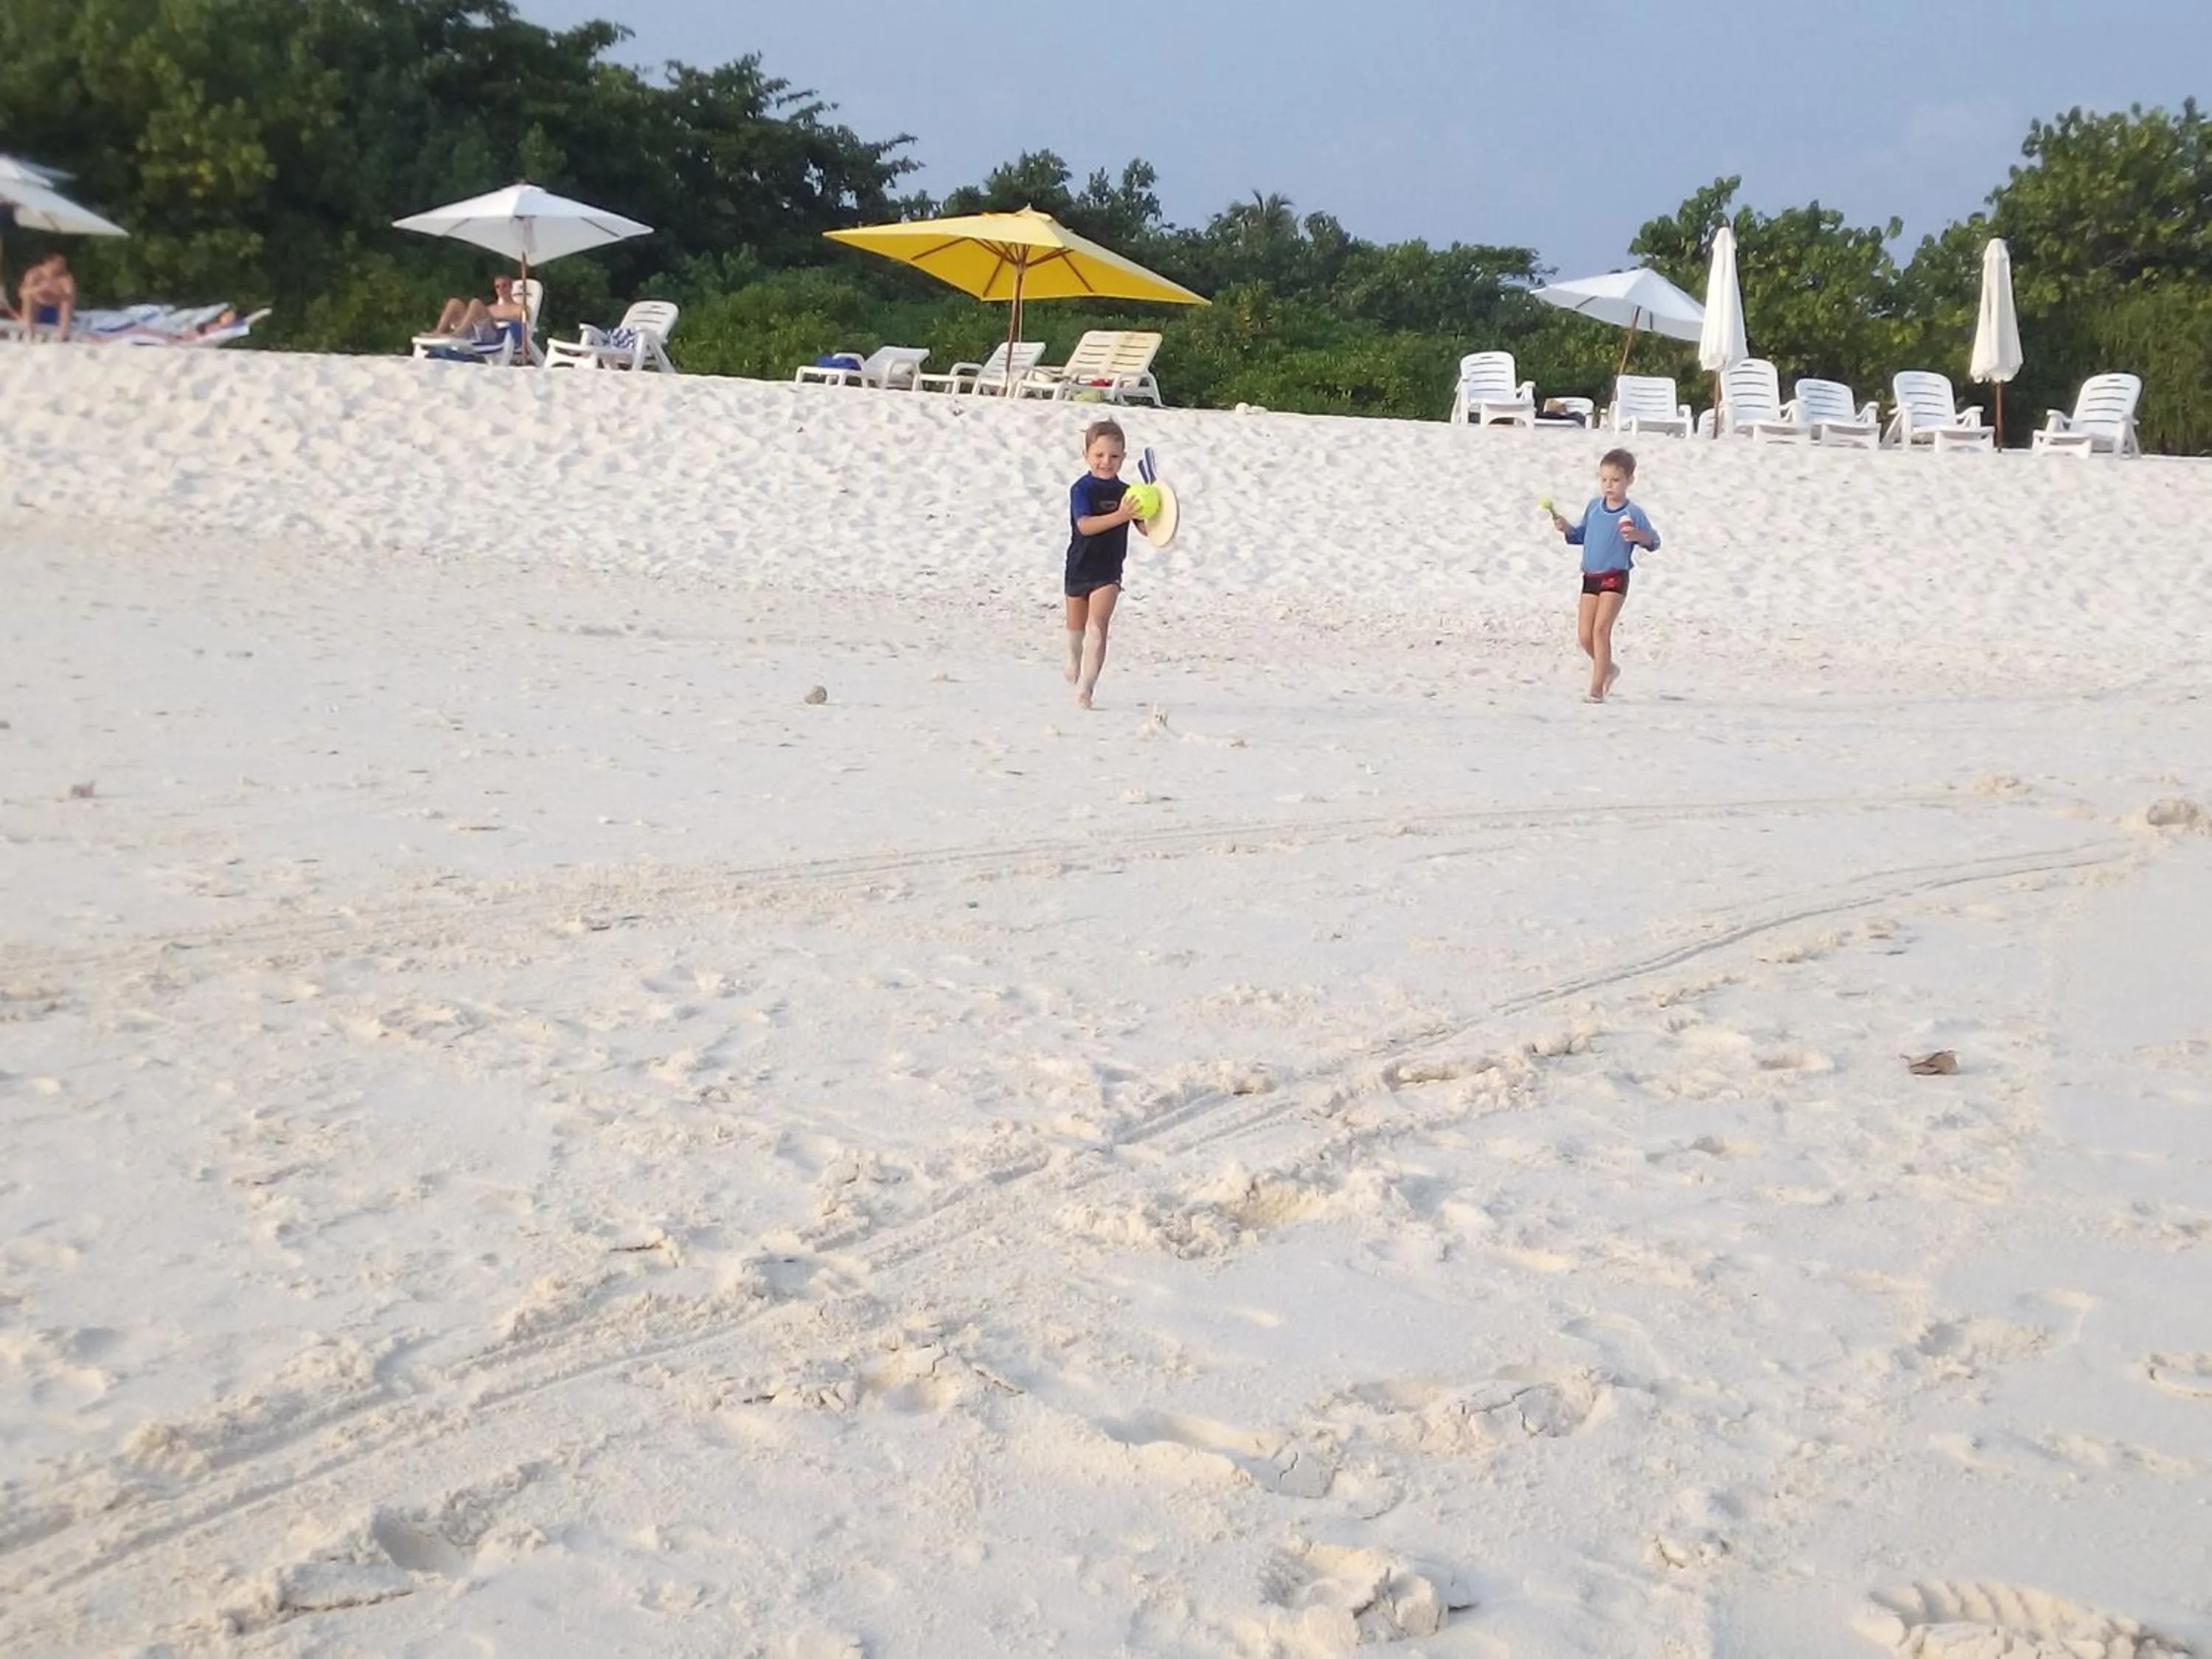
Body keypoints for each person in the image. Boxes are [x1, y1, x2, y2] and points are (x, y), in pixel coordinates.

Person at [1548, 448, 1660, 703]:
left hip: (1615, 576)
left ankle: (1596, 689)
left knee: (1601, 630)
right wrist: (1566, 528)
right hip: (1590, 576)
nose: (1609, 486)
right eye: (1604, 479)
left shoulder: (1633, 513)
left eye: (1616, 480)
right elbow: (1579, 536)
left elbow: (1654, 542)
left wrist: (1638, 537)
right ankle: (1608, 669)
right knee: (1585, 636)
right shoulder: (1593, 507)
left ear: (1630, 480)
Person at [1063, 418, 1145, 708]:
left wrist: (1160, 511)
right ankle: (1073, 658)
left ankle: (1087, 688)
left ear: (1123, 457)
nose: (1106, 462)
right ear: (1086, 455)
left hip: (1109, 569)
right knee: (1076, 629)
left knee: (1098, 626)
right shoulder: (1081, 489)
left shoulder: (1130, 494)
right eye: (1099, 455)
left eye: (1113, 456)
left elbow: (1147, 529)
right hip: (1079, 565)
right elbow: (1085, 526)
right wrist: (1121, 516)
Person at [428, 274, 526, 348]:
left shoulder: (519, 308)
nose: (501, 289)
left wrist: (497, 318)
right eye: (498, 287)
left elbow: (523, 324)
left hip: (495, 336)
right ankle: (437, 332)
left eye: (504, 285)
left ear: (511, 287)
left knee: (476, 303)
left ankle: (457, 334)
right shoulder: (492, 307)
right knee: (455, 302)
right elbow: (478, 316)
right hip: (475, 331)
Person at [17, 253, 75, 340]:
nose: (62, 266)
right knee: (28, 298)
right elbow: (22, 293)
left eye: (63, 264)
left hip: (55, 308)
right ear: (49, 262)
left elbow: (70, 296)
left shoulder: (66, 278)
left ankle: (63, 334)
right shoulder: (34, 274)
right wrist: (39, 289)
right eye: (59, 263)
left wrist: (56, 293)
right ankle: (29, 331)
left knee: (66, 302)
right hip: (37, 307)